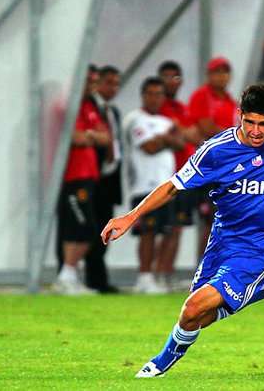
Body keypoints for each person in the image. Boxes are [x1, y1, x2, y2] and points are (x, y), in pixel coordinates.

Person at [101, 84, 264, 377]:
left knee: (193, 308)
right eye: (249, 122)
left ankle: (158, 365)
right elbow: (172, 186)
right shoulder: (215, 151)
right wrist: (130, 216)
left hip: (260, 247)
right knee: (196, 317)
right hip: (222, 241)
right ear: (239, 115)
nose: (256, 131)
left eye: (263, 124)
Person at [124, 77, 185, 294]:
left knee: (165, 231)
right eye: (150, 94)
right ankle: (144, 277)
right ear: (143, 96)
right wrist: (167, 139)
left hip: (165, 186)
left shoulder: (164, 121)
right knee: (147, 233)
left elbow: (180, 143)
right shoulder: (136, 119)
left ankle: (156, 275)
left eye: (159, 94)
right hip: (144, 186)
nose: (155, 98)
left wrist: (163, 139)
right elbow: (148, 147)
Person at [54, 65, 112, 295]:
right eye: (89, 80)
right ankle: (65, 276)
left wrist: (89, 135)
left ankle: (69, 275)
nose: (92, 86)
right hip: (73, 176)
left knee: (87, 229)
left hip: (88, 176)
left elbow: (105, 137)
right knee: (80, 227)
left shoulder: (88, 106)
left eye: (95, 82)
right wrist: (90, 135)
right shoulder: (67, 105)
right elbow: (75, 138)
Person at [156, 60, 203, 290]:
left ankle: (166, 274)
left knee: (177, 228)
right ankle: (155, 274)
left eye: (175, 77)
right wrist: (183, 134)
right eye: (166, 77)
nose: (171, 82)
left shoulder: (182, 108)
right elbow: (171, 135)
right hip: (165, 176)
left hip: (186, 176)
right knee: (163, 228)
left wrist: (181, 132)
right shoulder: (158, 108)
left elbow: (195, 136)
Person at [187, 57, 238, 260]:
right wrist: (234, 136)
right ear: (209, 75)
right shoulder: (202, 96)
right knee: (209, 219)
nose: (222, 77)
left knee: (220, 220)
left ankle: (214, 265)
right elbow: (206, 128)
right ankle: (204, 268)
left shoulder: (230, 101)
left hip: (224, 168)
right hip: (206, 167)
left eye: (225, 72)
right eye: (218, 72)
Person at [87, 65, 123, 293]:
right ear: (98, 83)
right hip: (92, 176)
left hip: (109, 178)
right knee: (87, 228)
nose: (113, 87)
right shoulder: (88, 106)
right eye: (108, 82)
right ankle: (89, 277)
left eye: (116, 83)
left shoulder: (113, 111)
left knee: (104, 228)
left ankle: (98, 279)